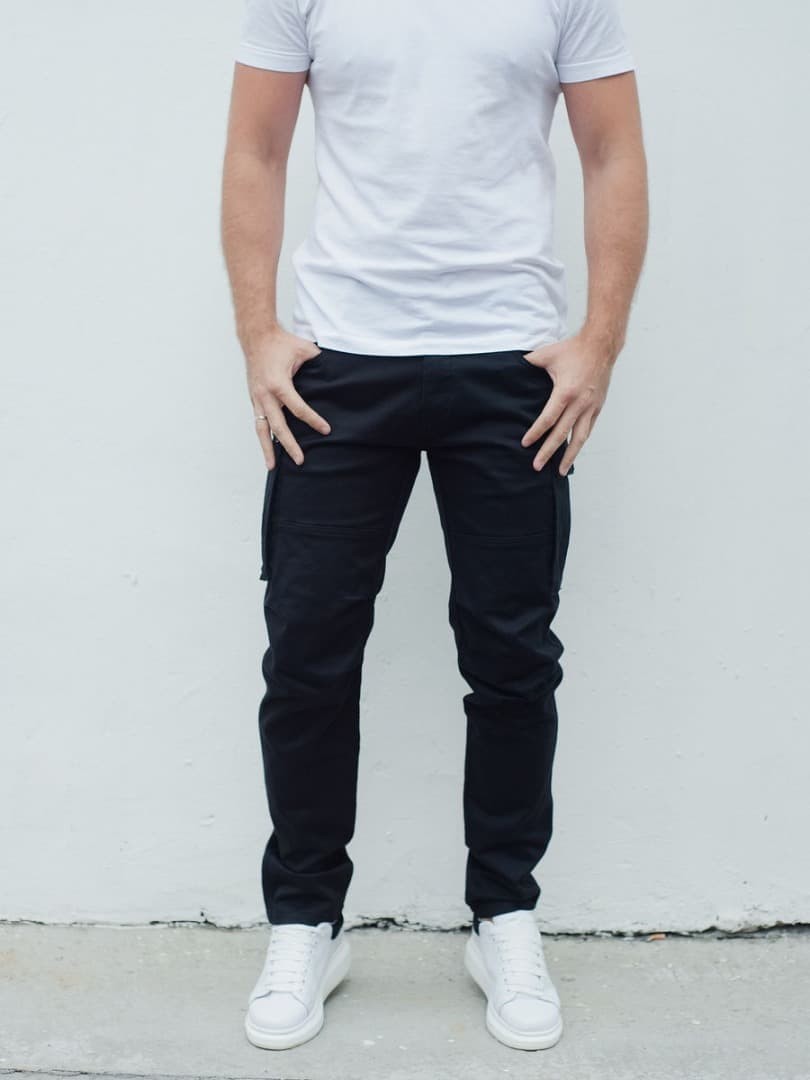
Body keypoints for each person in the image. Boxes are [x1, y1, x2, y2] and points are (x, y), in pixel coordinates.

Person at [220, 0, 648, 1054]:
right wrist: (258, 333)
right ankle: (306, 921)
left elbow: (613, 153)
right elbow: (255, 149)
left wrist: (598, 344)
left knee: (513, 658)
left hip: (510, 367)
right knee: (307, 655)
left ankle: (504, 916)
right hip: (338, 367)